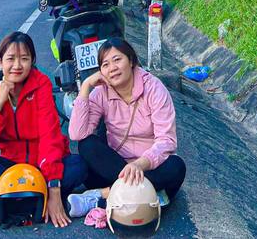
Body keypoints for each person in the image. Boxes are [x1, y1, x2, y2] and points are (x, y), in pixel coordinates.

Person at [0, 31, 87, 228]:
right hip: (12, 169)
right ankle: (23, 196)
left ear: (32, 61)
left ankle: (1, 197)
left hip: (43, 164)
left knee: (79, 166)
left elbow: (49, 137)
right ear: (0, 62)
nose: (17, 66)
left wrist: (53, 189)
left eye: (24, 59)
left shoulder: (41, 84)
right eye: (10, 59)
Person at [67, 36, 186, 217]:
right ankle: (146, 195)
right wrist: (85, 87)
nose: (112, 68)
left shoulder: (154, 88)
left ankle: (103, 196)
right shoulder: (100, 93)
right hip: (114, 166)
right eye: (105, 64)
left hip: (149, 166)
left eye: (117, 60)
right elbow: (77, 134)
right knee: (86, 145)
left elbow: (167, 140)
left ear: (130, 61)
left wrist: (140, 164)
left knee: (176, 167)